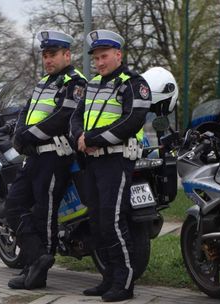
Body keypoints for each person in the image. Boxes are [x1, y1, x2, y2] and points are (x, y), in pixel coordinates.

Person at [69, 29, 151, 302]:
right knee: (97, 223)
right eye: (96, 58)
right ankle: (108, 278)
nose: (100, 63)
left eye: (104, 56)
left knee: (113, 221)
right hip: (91, 161)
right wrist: (79, 137)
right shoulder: (92, 84)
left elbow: (132, 120)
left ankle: (125, 283)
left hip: (116, 160)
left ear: (118, 55)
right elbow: (75, 117)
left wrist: (92, 138)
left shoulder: (134, 83)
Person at [4, 30, 87, 290]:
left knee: (44, 213)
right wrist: (18, 134)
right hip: (33, 158)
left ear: (67, 55)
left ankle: (37, 273)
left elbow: (62, 117)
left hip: (55, 157)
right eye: (45, 56)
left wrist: (27, 135)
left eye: (53, 55)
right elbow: (25, 111)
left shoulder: (75, 82)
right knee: (12, 208)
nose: (48, 60)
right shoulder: (44, 82)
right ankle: (36, 258)